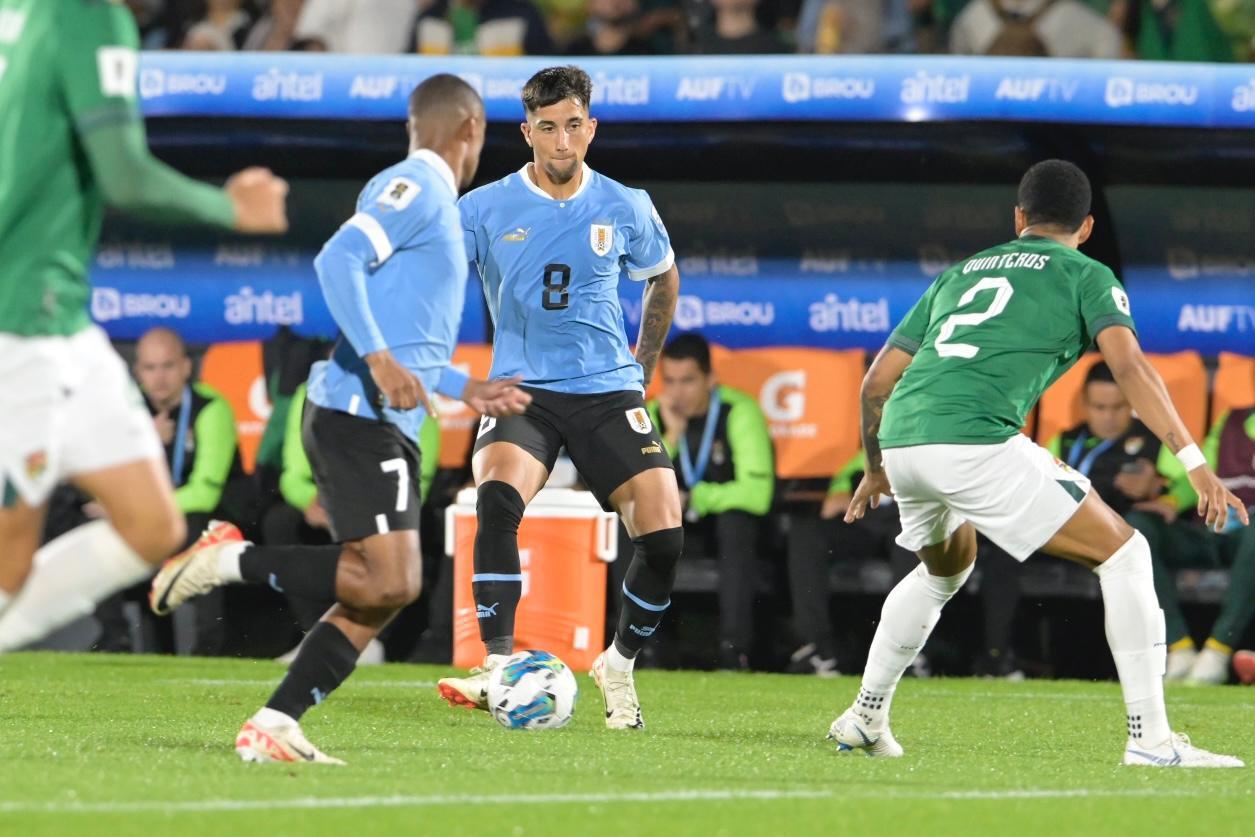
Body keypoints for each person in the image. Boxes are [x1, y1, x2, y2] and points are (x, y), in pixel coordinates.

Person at [148, 74, 531, 765]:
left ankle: (275, 722)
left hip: (385, 417)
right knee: (390, 579)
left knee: (375, 592)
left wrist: (464, 386)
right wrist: (381, 360)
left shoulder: (434, 196)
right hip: (357, 413)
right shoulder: (415, 187)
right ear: (471, 127)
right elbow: (338, 259)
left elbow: (407, 342)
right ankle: (226, 558)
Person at [830, 160, 1246, 767]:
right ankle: (1151, 740)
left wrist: (875, 467)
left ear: (1018, 218)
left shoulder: (960, 272)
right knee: (1126, 554)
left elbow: (875, 383)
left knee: (945, 570)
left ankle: (866, 716)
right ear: (1086, 227)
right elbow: (1130, 368)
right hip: (972, 440)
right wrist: (1193, 461)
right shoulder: (1086, 273)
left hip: (904, 440)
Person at [0, 0, 287, 652]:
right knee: (8, 568)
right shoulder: (86, 15)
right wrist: (232, 208)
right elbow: (124, 174)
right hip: (21, 324)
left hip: (64, 322)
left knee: (151, 525)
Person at [437, 66, 682, 730]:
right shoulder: (482, 208)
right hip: (523, 391)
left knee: (663, 537)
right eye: (546, 127)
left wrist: (643, 366)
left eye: (572, 125)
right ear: (527, 133)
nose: (561, 141)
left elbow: (662, 279)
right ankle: (496, 664)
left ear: (590, 128)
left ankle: (618, 663)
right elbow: (435, 280)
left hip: (606, 391)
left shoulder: (626, 203)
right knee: (495, 498)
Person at [649, 333, 773, 670]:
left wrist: (697, 497)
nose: (677, 392)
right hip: (673, 527)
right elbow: (638, 484)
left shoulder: (738, 410)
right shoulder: (653, 414)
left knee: (736, 522)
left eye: (688, 381)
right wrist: (671, 438)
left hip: (723, 527)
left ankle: (735, 651)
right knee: (631, 525)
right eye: (670, 381)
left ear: (710, 379)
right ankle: (643, 648)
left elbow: (757, 496)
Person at [1127, 404, 1255, 684]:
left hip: (1249, 539)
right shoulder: (1231, 420)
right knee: (1141, 525)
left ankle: (1218, 651)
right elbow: (1201, 475)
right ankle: (1178, 647)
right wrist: (1171, 502)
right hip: (1210, 528)